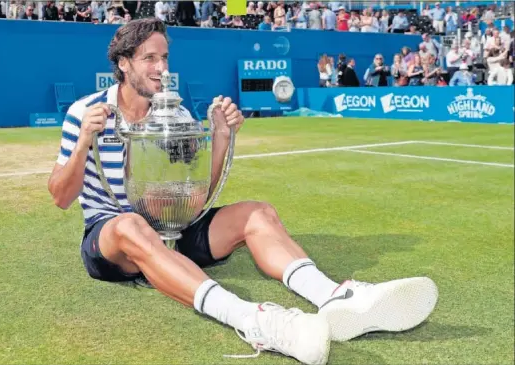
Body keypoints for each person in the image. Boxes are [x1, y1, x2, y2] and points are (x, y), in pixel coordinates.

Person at [48, 18, 439, 365]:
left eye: (165, 57)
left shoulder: (178, 115)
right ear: (123, 63)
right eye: (150, 58)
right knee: (131, 225)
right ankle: (256, 321)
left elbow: (195, 200)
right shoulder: (87, 111)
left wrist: (221, 136)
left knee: (258, 213)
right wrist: (84, 140)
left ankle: (336, 298)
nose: (162, 68)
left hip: (173, 229)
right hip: (114, 240)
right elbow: (61, 197)